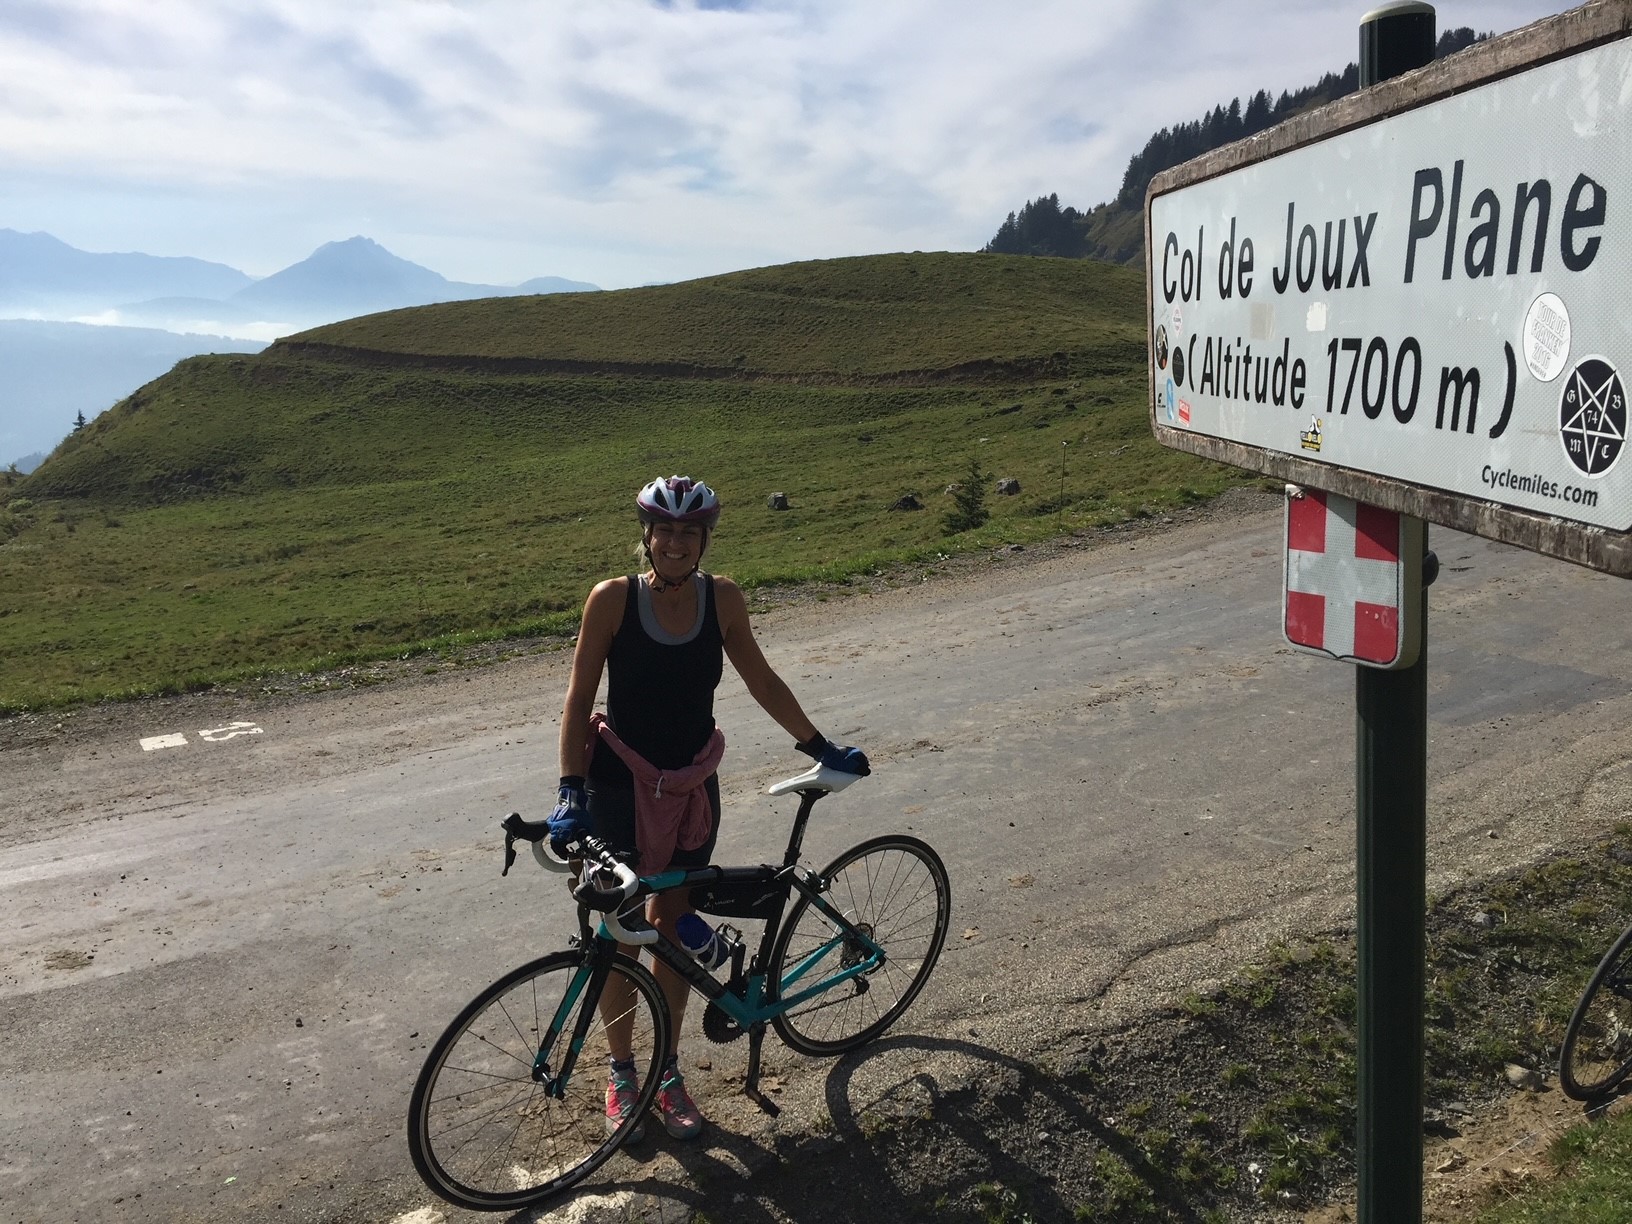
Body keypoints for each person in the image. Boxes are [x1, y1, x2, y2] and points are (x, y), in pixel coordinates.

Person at [547, 474, 868, 1142]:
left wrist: (818, 744)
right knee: (618, 932)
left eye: (688, 532)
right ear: (647, 535)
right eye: (664, 530)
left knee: (671, 924)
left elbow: (760, 677)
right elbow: (579, 699)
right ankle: (622, 1073)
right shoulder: (611, 601)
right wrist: (570, 791)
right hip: (617, 787)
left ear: (703, 539)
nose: (674, 541)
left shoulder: (721, 599)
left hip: (693, 786)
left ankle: (667, 1073)